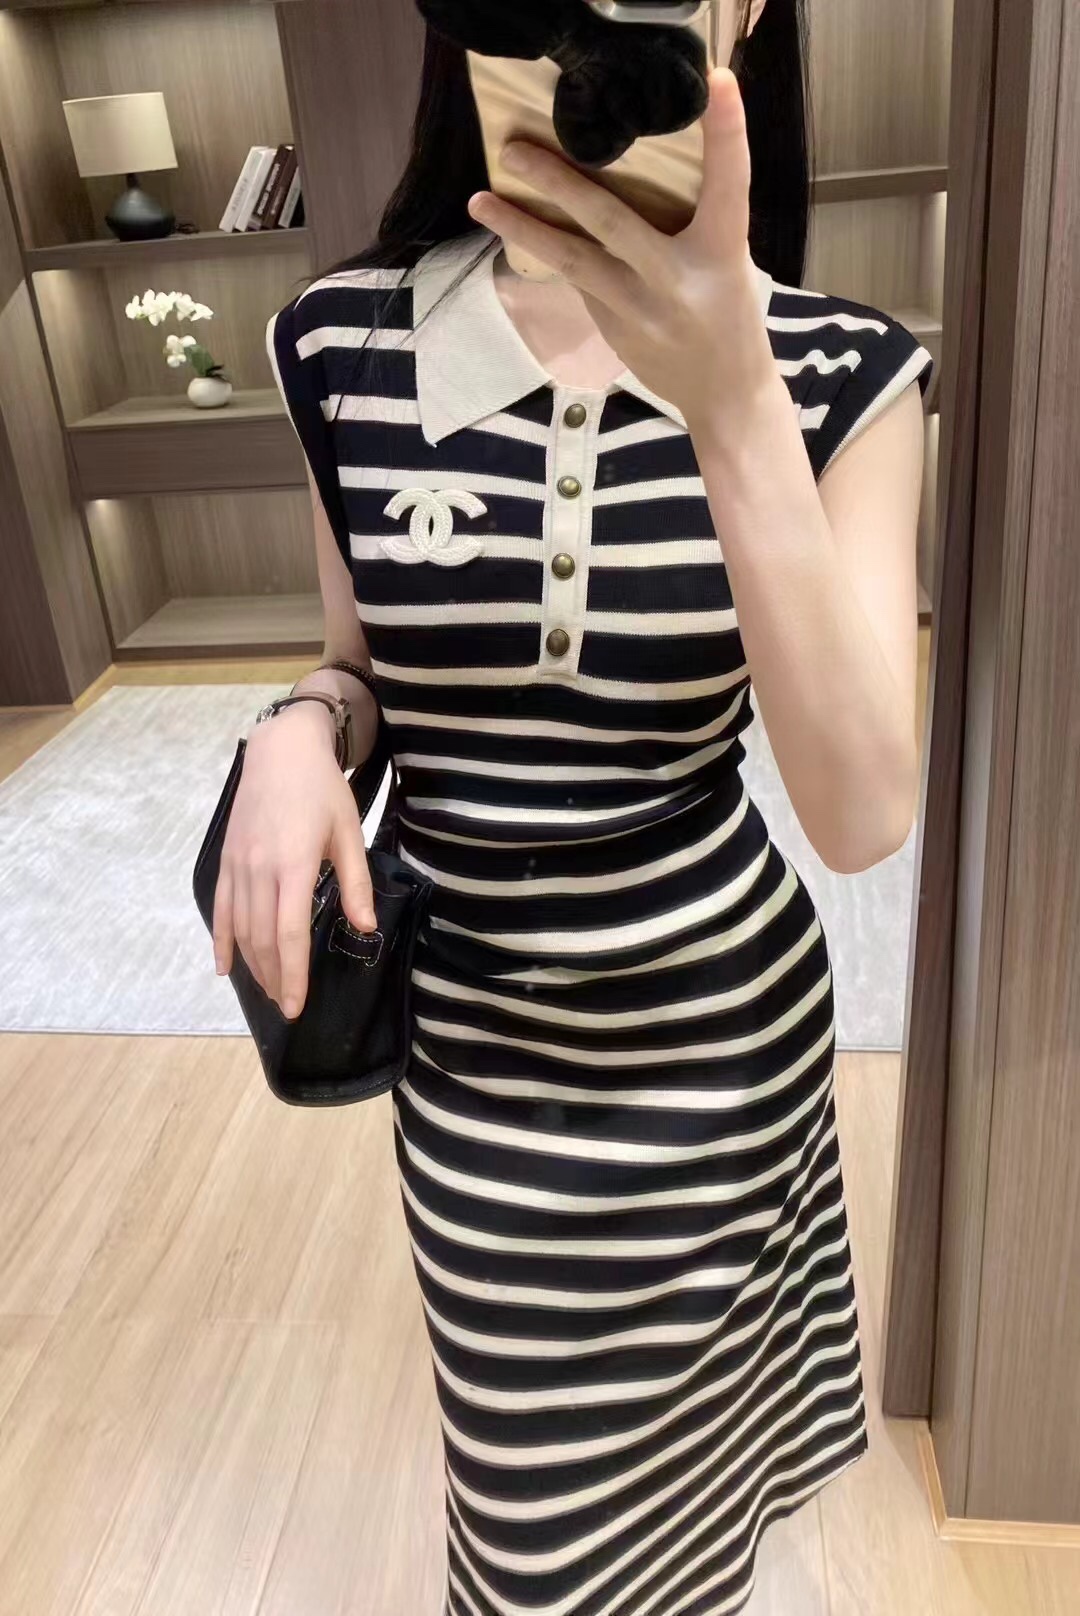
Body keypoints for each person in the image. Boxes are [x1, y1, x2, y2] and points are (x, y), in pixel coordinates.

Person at [213, 2, 934, 1611]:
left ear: (745, 12)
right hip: (475, 1043)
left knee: (697, 1510)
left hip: (720, 1045)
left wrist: (733, 400)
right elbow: (358, 666)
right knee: (531, 1524)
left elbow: (862, 812)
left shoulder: (847, 369)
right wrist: (299, 729)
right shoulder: (340, 344)